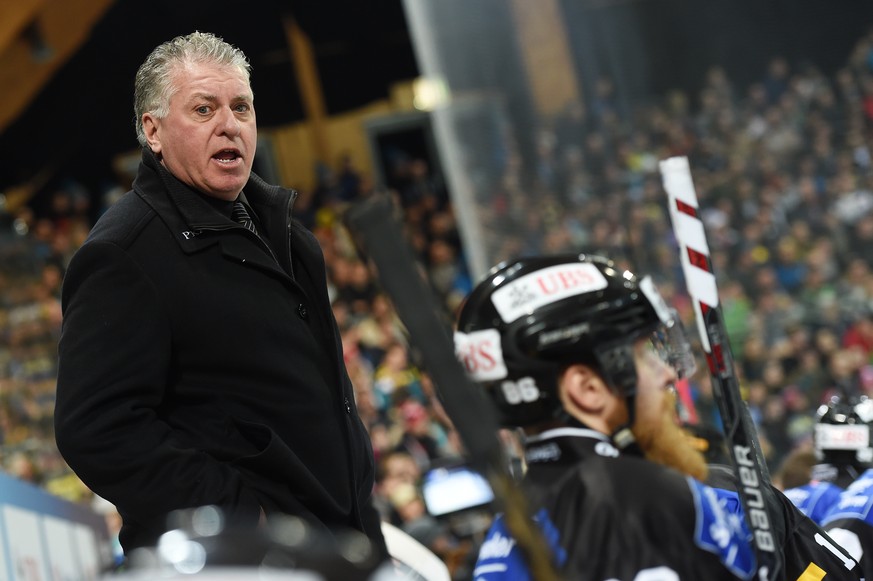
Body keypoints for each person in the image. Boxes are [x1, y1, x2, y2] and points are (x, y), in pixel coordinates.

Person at [54, 32, 386, 561]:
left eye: (241, 107)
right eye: (203, 109)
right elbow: (96, 427)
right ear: (153, 131)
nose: (229, 124)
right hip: (234, 558)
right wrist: (239, 519)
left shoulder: (287, 232)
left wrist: (363, 520)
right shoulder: (125, 252)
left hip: (337, 538)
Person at [455, 253, 862, 580]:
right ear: (588, 389)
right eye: (641, 355)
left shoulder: (503, 536)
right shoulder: (661, 499)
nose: (667, 373)